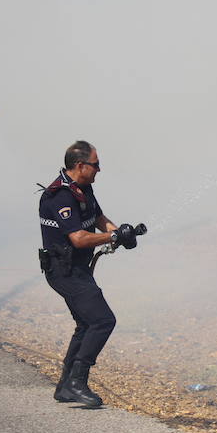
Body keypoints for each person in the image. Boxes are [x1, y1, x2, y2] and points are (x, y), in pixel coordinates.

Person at [38, 140, 139, 407]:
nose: (99, 169)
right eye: (95, 164)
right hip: (64, 271)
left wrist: (120, 233)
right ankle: (77, 382)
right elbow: (80, 239)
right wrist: (112, 235)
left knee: (86, 324)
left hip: (78, 269)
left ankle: (64, 387)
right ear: (80, 165)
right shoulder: (59, 195)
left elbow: (98, 217)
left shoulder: (83, 188)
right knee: (102, 321)